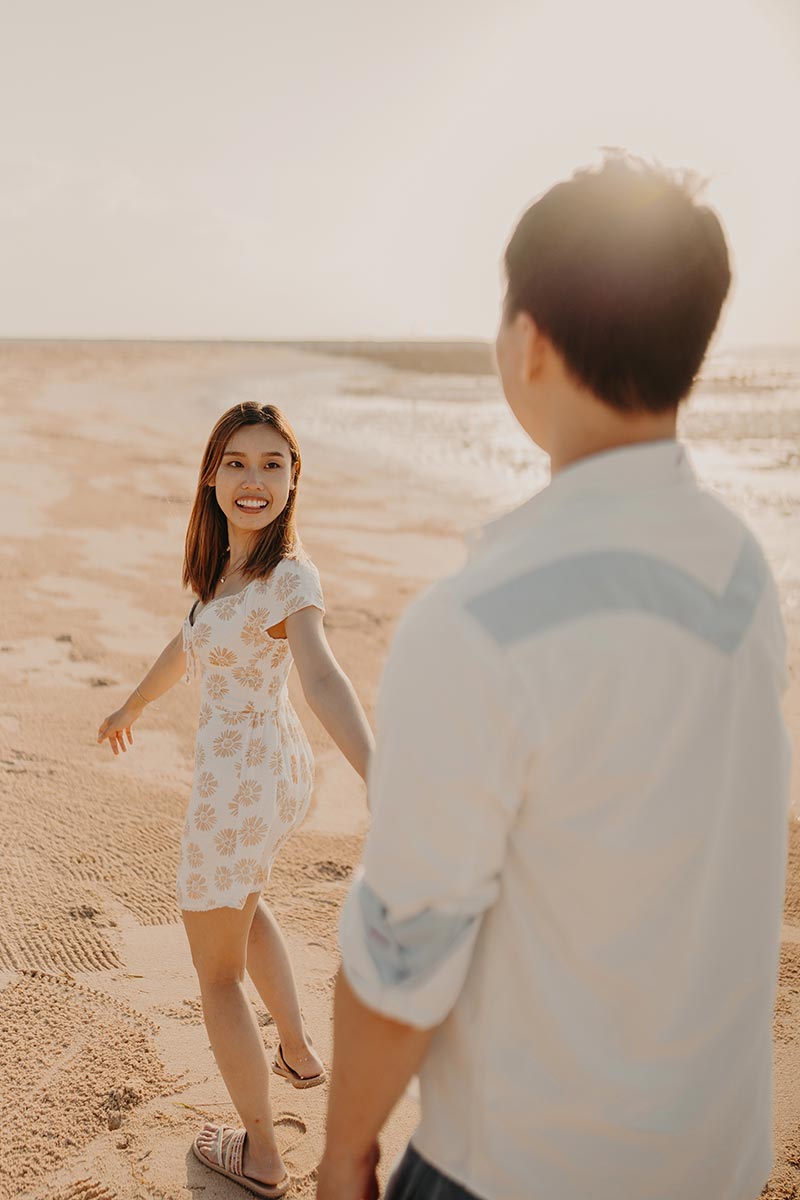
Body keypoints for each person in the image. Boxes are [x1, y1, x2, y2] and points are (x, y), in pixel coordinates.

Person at [317, 154, 792, 1200]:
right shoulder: (738, 567)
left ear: (525, 340)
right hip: (709, 1160)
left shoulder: (477, 622)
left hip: (519, 1167)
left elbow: (402, 960)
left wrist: (344, 1148)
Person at [97, 400, 374, 1200]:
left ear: (294, 480)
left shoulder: (289, 575)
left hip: (240, 787)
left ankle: (260, 1153)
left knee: (215, 971)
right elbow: (188, 644)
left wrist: (376, 769)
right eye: (238, 463)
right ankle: (295, 1049)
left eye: (272, 465)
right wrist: (133, 707)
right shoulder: (226, 568)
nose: (254, 481)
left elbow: (322, 672)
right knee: (244, 906)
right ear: (213, 475)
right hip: (262, 775)